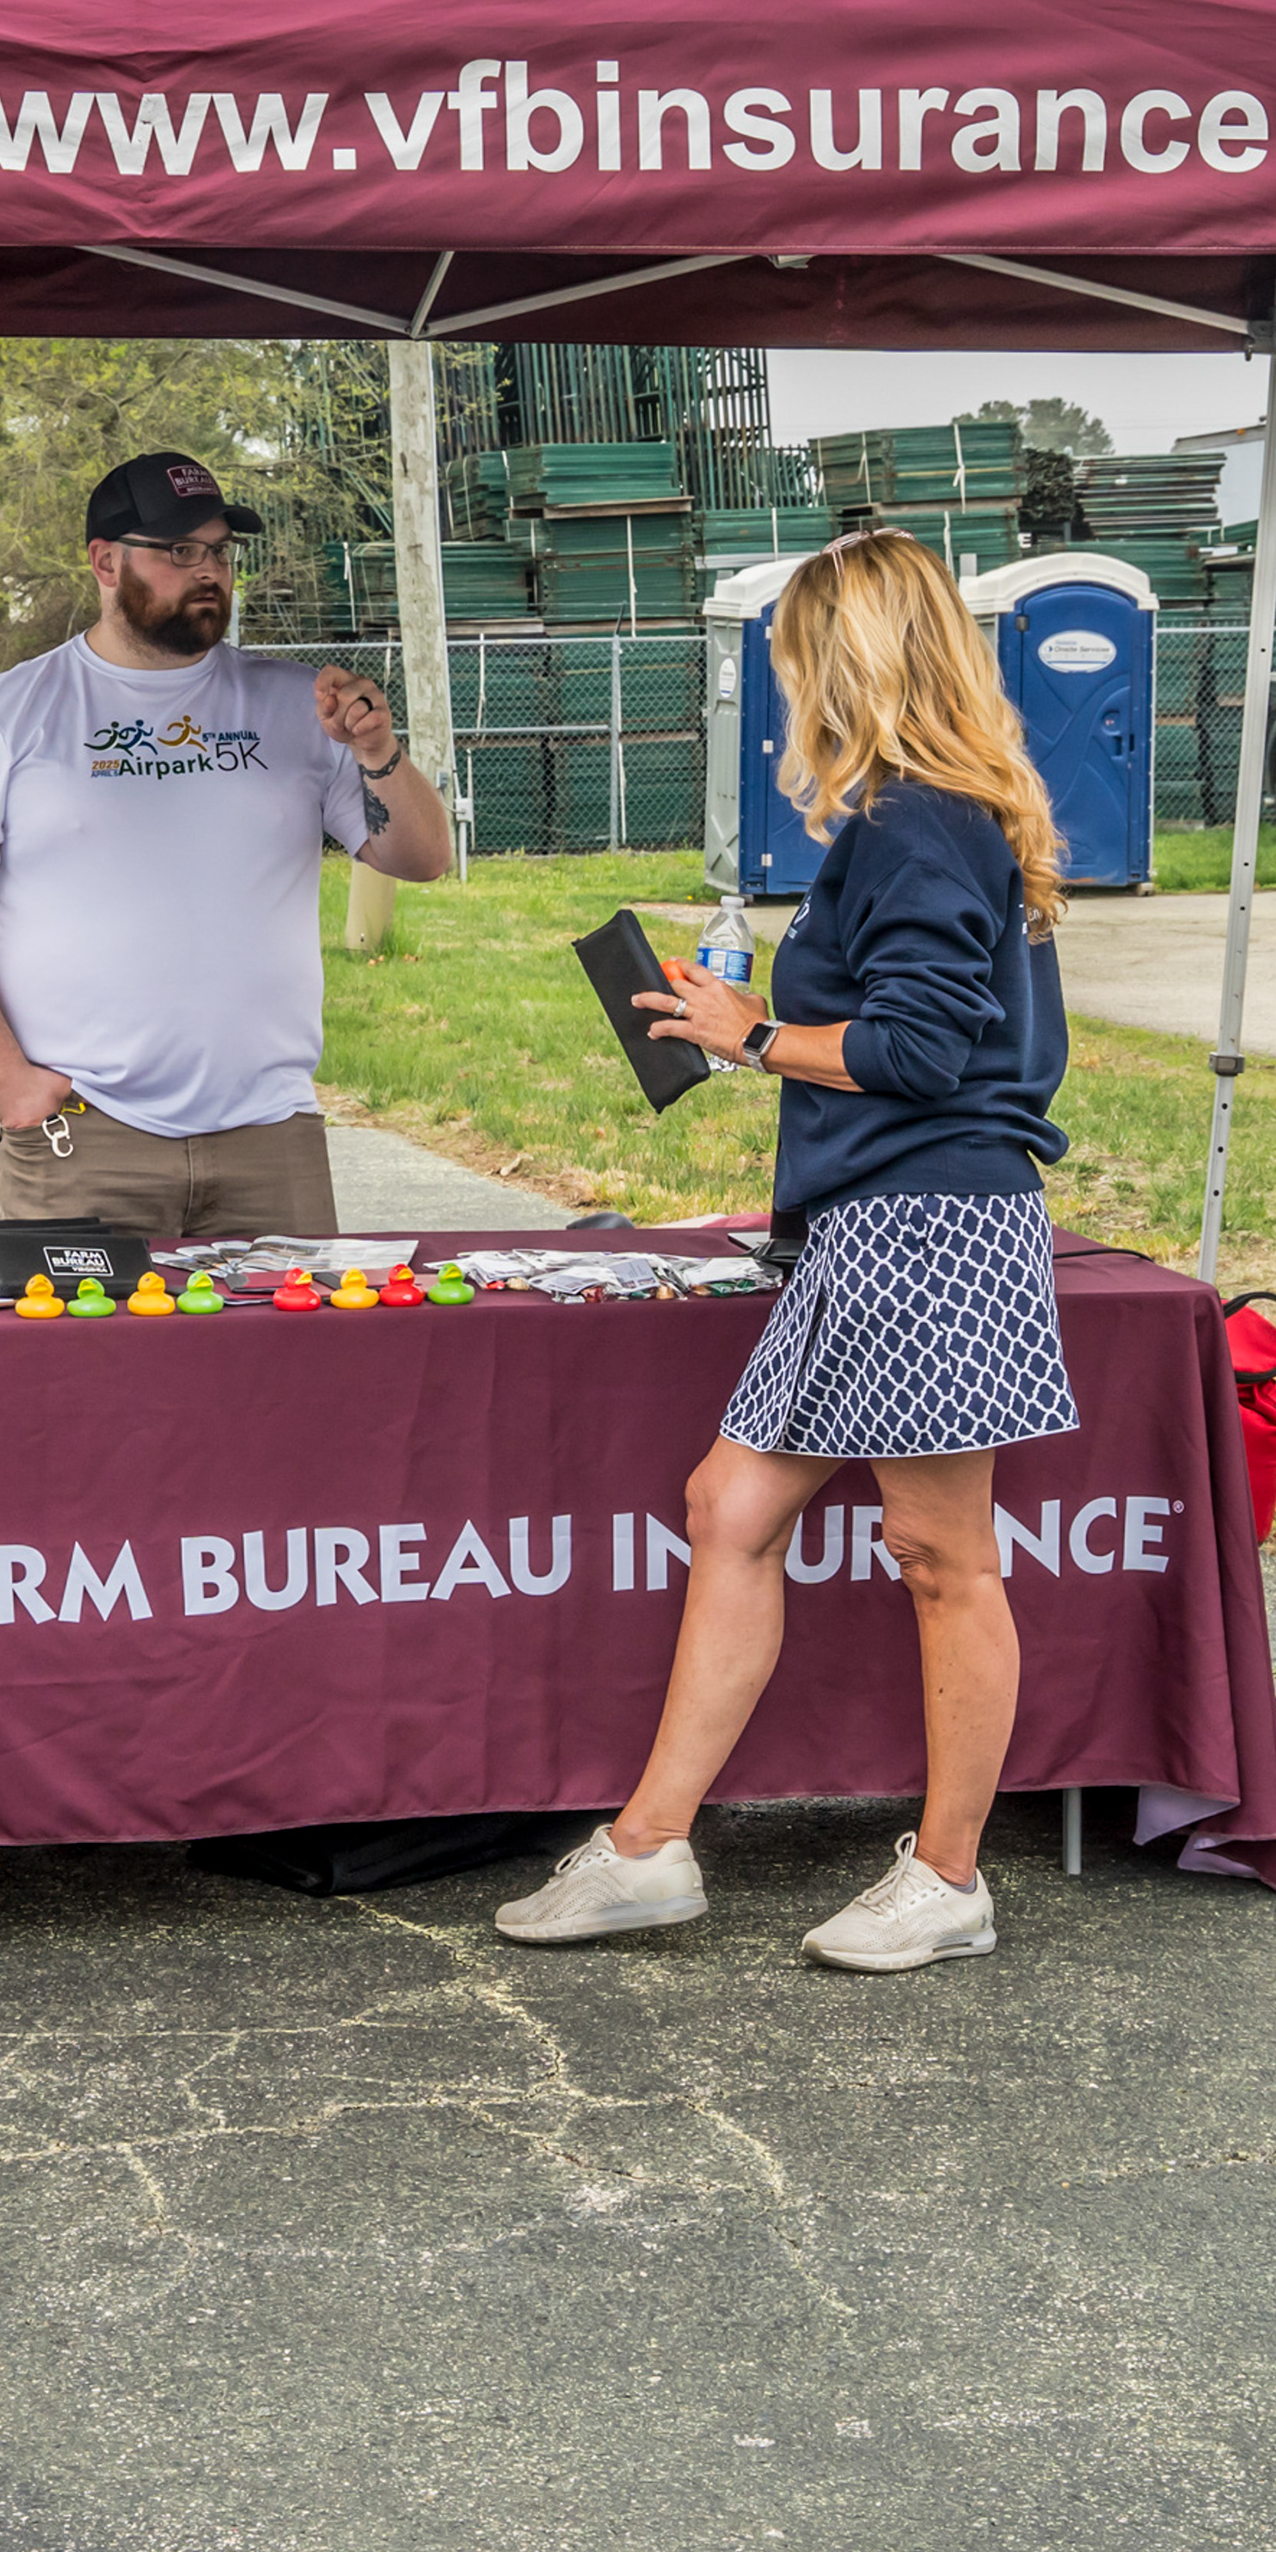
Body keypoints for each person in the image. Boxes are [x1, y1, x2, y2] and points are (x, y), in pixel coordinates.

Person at [494, 530, 1073, 1973]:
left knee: (942, 1556)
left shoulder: (920, 821)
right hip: (873, 1226)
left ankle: (948, 1881)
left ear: (853, 661)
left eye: (799, 662)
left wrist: (749, 1033)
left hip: (927, 1223)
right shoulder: (932, 817)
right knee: (731, 1505)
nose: (788, 691)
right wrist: (743, 1024)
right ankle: (648, 1849)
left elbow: (919, 1051)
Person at [0, 450, 458, 1241]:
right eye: (180, 550)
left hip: (270, 1135)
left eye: (220, 551)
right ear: (105, 562)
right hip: (84, 1132)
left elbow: (422, 860)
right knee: (80, 1334)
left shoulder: (297, 705)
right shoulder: (7, 716)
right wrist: (8, 1079)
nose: (209, 571)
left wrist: (377, 751)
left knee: (292, 1328)